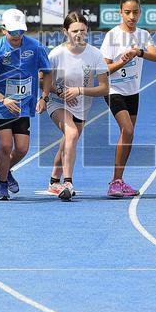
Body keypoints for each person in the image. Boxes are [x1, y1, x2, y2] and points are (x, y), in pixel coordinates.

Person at [0, 8, 52, 201]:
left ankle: (5, 169)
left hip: (24, 104)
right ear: (3, 30)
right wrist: (3, 99)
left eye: (21, 32)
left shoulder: (35, 47)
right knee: (5, 145)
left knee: (21, 148)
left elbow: (48, 72)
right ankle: (2, 185)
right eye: (13, 32)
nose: (17, 36)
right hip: (1, 104)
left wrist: (43, 97)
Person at [44, 12, 109, 200]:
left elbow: (104, 88)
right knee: (71, 134)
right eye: (74, 31)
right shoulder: (56, 54)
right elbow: (42, 81)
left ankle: (54, 180)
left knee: (67, 141)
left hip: (81, 104)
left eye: (82, 30)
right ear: (65, 32)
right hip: (57, 101)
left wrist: (79, 91)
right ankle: (68, 182)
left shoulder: (95, 55)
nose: (78, 34)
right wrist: (59, 92)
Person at [100, 0, 156, 197]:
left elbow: (155, 56)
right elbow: (104, 68)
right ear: (120, 13)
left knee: (128, 135)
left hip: (132, 91)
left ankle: (119, 180)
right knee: (127, 130)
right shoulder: (112, 36)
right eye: (127, 12)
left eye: (135, 12)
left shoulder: (143, 35)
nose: (131, 16)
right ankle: (115, 182)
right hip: (113, 89)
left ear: (140, 13)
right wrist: (123, 62)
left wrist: (138, 52)